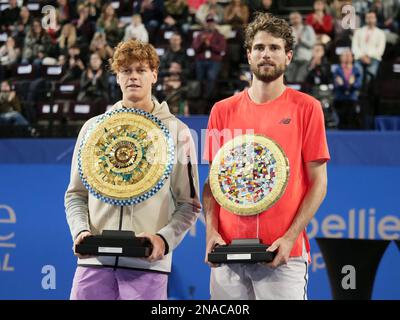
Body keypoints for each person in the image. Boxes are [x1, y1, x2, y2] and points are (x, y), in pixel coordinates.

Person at [202, 13, 330, 300]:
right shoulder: (221, 111)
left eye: (274, 48)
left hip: (282, 256)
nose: (266, 54)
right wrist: (211, 233)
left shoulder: (308, 109)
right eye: (259, 48)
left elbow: (318, 183)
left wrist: (290, 237)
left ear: (288, 57)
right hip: (227, 256)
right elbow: (213, 183)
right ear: (248, 55)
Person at [65, 39, 201, 300]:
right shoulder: (93, 130)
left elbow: (190, 204)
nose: (133, 77)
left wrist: (163, 240)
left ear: (154, 74)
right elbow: (76, 195)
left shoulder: (178, 133)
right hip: (93, 264)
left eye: (141, 69)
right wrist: (81, 231)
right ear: (117, 77)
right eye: (126, 71)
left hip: (148, 267)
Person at [352, 11, 386, 86]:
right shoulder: (358, 31)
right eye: (368, 17)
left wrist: (368, 56)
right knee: (357, 73)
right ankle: (357, 93)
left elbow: (380, 50)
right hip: (359, 58)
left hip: (374, 58)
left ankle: (369, 92)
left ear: (375, 19)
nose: (370, 20)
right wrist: (362, 56)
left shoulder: (381, 33)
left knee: (370, 75)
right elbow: (354, 47)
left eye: (372, 17)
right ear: (365, 19)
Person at [333, 49, 363, 129]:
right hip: (340, 98)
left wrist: (351, 84)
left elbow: (359, 84)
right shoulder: (337, 70)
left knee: (351, 119)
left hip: (352, 98)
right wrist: (343, 85)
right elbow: (336, 84)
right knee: (341, 120)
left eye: (349, 55)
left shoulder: (356, 70)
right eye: (345, 55)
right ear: (340, 58)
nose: (347, 57)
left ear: (352, 58)